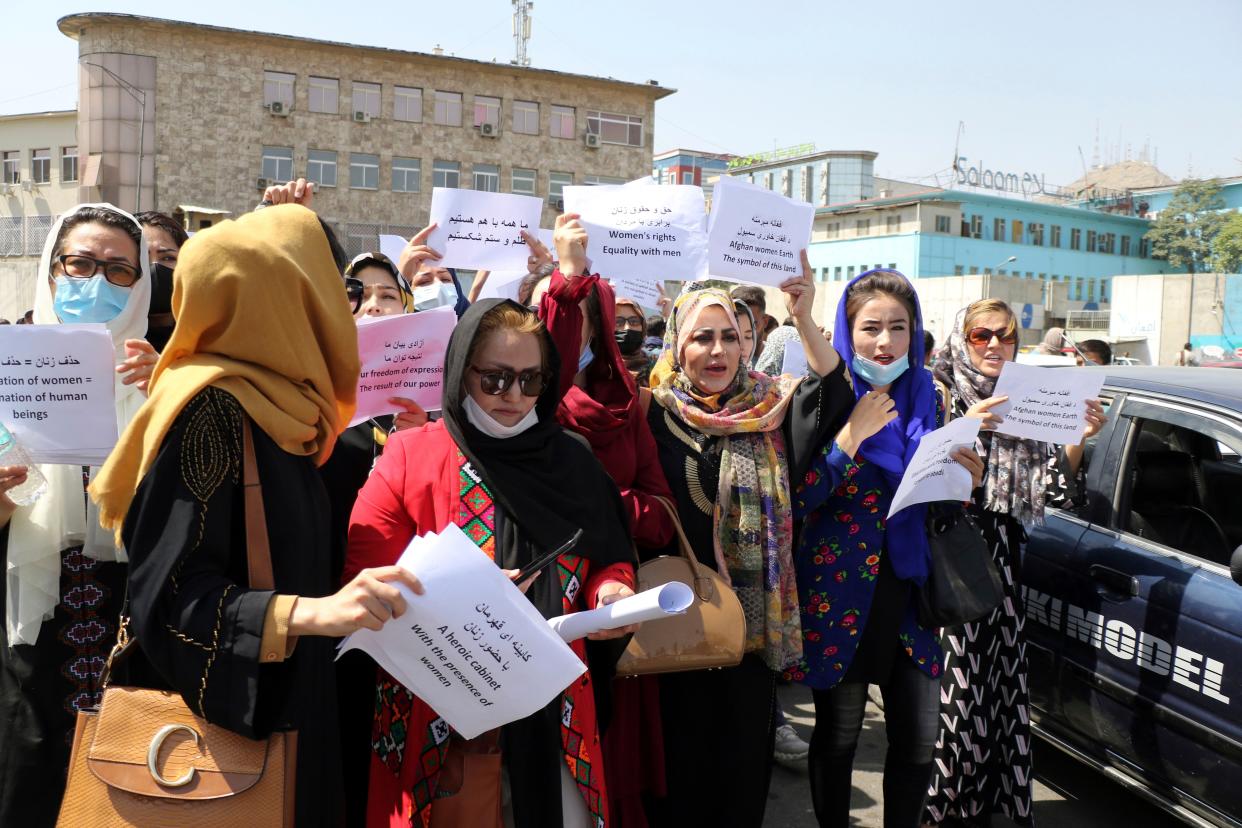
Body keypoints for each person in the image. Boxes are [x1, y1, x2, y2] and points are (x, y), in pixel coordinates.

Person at [90, 204, 414, 826]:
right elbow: (169, 598)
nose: (336, 310)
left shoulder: (284, 409)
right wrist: (307, 613)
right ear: (285, 301)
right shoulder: (213, 412)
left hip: (294, 711)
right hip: (229, 752)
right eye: (325, 289)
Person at [345, 298, 638, 827]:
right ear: (461, 373)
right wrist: (458, 597)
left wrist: (610, 594)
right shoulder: (411, 456)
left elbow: (610, 557)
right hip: (439, 713)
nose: (515, 397)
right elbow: (361, 583)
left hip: (556, 715)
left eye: (531, 381)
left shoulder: (573, 459)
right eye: (496, 379)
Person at [643, 260, 854, 827]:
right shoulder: (651, 415)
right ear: (676, 344)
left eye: (730, 338)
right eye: (702, 338)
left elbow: (832, 394)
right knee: (677, 774)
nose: (717, 351)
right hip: (674, 629)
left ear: (748, 342)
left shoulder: (771, 411)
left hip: (751, 634)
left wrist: (804, 317)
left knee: (740, 774)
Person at [785, 270, 984, 828]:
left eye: (899, 327)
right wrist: (849, 438)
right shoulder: (823, 395)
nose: (885, 341)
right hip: (840, 593)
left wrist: (967, 478)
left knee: (920, 739)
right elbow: (796, 501)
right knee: (840, 736)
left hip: (911, 593)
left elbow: (936, 503)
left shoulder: (928, 396)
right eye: (871, 327)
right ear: (848, 332)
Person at [0, 203, 157, 826]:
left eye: (120, 270)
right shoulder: (9, 372)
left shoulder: (164, 380)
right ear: (52, 269)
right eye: (81, 264)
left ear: (142, 284)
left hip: (133, 625)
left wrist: (163, 397)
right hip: (29, 629)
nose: (96, 282)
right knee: (29, 785)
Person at [924, 299, 1106, 827]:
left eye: (1005, 335)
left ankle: (983, 806)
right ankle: (941, 807)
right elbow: (921, 474)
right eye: (981, 335)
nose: (994, 345)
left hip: (1001, 561)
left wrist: (1078, 435)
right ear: (962, 337)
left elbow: (1054, 490)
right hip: (948, 559)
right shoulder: (937, 393)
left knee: (997, 692)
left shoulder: (1026, 397)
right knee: (955, 699)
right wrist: (970, 424)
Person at [538, 214, 677, 827]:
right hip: (544, 604)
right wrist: (567, 276)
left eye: (600, 319)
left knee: (608, 771)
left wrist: (608, 503)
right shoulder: (527, 406)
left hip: (615, 608)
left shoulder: (629, 405)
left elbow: (659, 514)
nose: (589, 335)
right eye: (578, 321)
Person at [135, 210, 189, 352]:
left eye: (168, 258)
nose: (155, 267)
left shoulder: (208, 337)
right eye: (143, 258)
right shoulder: (111, 338)